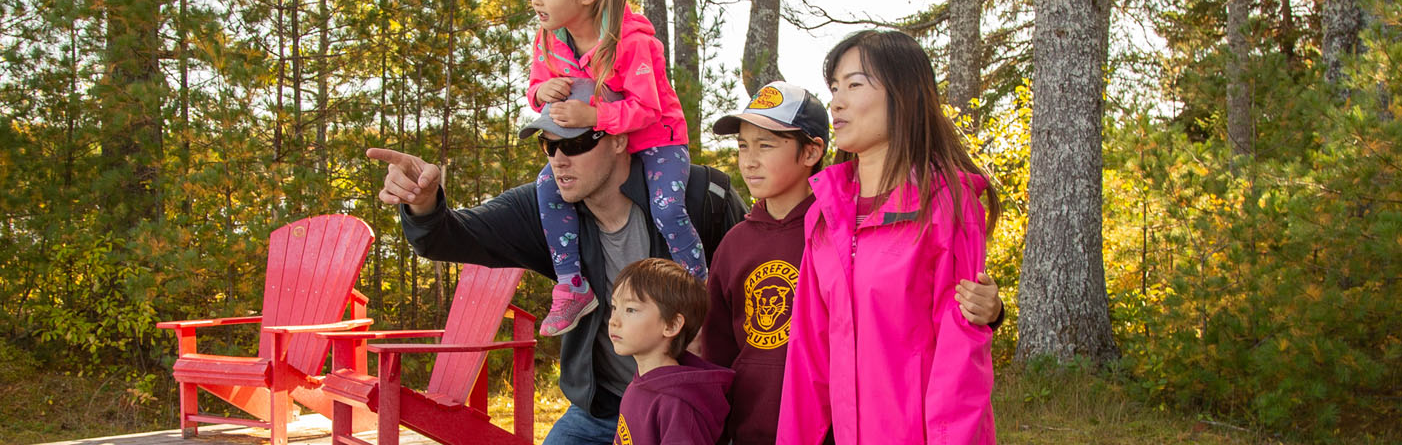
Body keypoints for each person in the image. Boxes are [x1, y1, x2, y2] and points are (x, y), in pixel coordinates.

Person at [366, 127, 743, 445]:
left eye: (576, 143)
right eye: (549, 145)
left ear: (618, 139)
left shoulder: (696, 197)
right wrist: (425, 203)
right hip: (603, 409)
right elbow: (448, 236)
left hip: (689, 410)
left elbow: (762, 297)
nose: (559, 159)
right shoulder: (548, 211)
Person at [703, 81, 1006, 445]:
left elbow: (903, 309)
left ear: (811, 151)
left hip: (842, 428)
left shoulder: (836, 229)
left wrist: (992, 310)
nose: (749, 160)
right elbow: (718, 351)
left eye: (766, 145)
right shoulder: (734, 244)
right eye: (742, 146)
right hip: (752, 429)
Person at [779, 30, 1004, 445]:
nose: (837, 102)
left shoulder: (947, 207)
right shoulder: (824, 217)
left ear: (902, 95)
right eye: (834, 87)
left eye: (854, 84)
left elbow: (960, 367)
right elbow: (806, 363)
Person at [522, 0, 702, 337]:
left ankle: (698, 285)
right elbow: (536, 86)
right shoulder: (548, 40)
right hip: (601, 147)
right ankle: (572, 285)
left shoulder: (629, 41)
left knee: (667, 209)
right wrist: (542, 92)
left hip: (657, 139)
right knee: (546, 187)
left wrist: (594, 114)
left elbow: (648, 108)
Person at [606, 258, 732, 445]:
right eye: (615, 307)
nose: (614, 321)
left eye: (631, 310)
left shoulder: (677, 403)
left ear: (672, 325)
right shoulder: (642, 383)